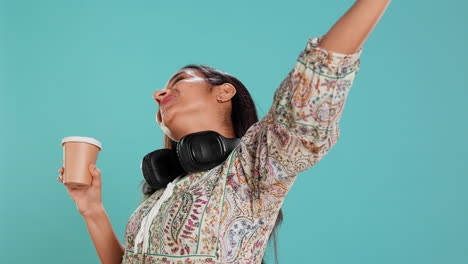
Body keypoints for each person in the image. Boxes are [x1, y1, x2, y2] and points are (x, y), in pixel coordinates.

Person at [57, 1, 391, 263]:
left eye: (178, 81)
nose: (159, 94)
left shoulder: (254, 167)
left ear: (224, 92)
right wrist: (93, 211)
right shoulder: (162, 194)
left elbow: (314, 83)